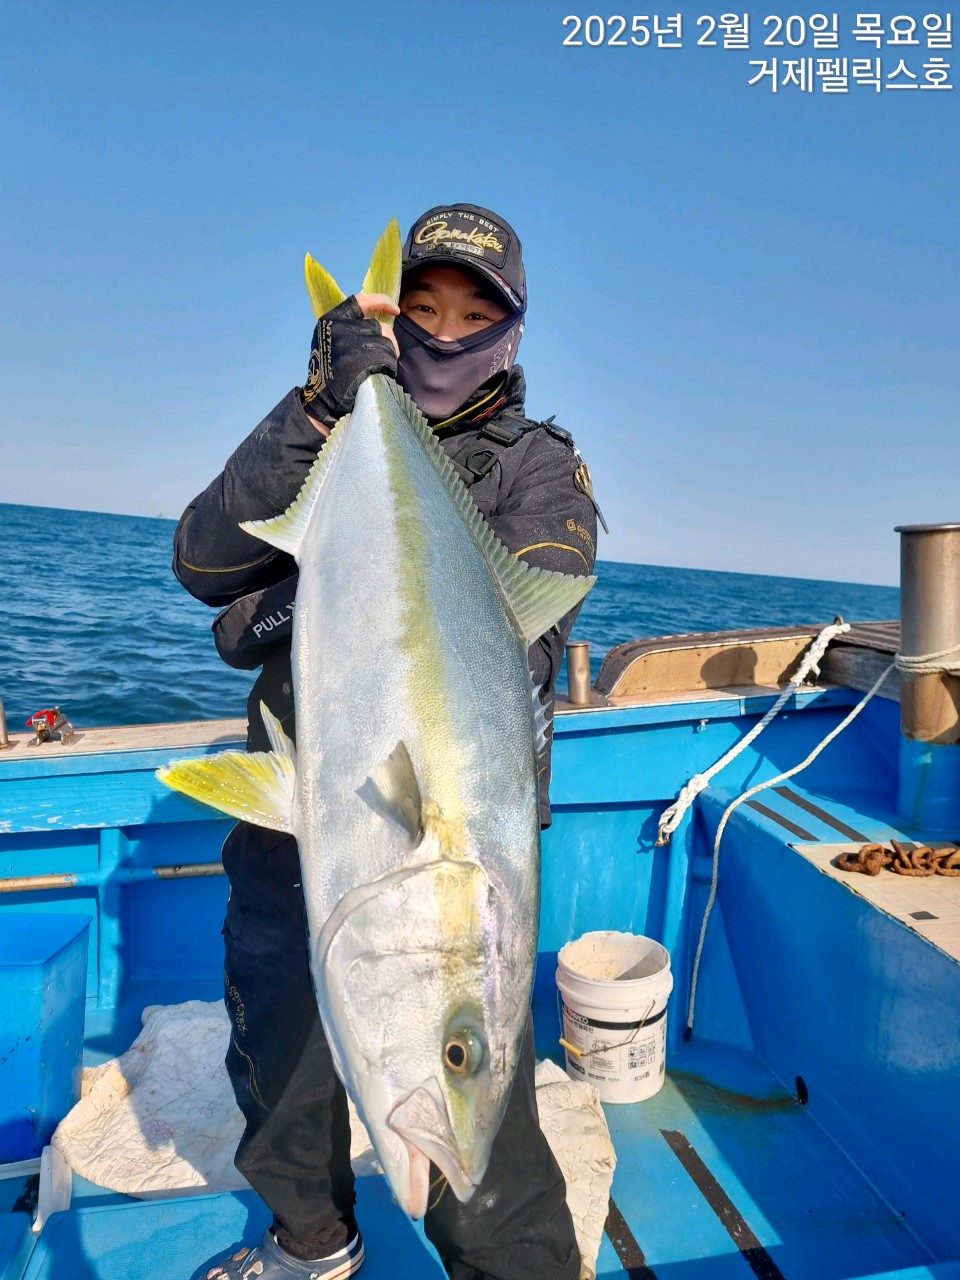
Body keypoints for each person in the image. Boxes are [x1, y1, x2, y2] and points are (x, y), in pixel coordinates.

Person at [173, 204, 599, 1280]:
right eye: (422, 308)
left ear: (512, 333)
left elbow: (535, 619)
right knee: (279, 1063)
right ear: (385, 317)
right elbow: (203, 562)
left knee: (491, 1148)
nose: (445, 333)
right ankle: (311, 1241)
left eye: (474, 315)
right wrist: (320, 406)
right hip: (293, 822)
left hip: (450, 838)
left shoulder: (540, 466)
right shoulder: (327, 426)